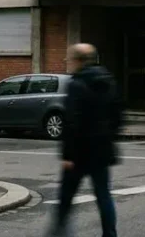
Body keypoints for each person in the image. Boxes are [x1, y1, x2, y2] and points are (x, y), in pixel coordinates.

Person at [51, 43, 122, 237]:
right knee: (103, 196)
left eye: (70, 59)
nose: (69, 62)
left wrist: (67, 155)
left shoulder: (76, 84)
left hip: (79, 153)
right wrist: (109, 137)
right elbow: (117, 116)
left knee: (66, 197)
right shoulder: (108, 81)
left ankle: (57, 233)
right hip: (102, 150)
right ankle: (110, 234)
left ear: (78, 61)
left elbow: (72, 121)